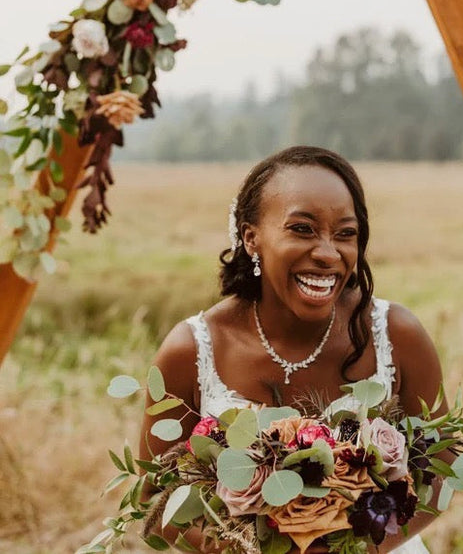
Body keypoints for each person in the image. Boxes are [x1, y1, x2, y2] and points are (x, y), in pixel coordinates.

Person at [140, 146, 447, 553]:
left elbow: (443, 474)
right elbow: (152, 502)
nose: (327, 253)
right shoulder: (192, 349)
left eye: (345, 234)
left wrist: (361, 549)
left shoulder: (397, 334)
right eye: (302, 229)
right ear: (252, 238)